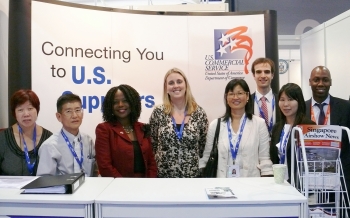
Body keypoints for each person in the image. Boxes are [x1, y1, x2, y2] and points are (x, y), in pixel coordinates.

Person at [199, 79, 273, 178]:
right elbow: (206, 157)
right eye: (231, 94)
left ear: (247, 96)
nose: (235, 97)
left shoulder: (259, 124)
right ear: (226, 98)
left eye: (240, 93)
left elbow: (264, 158)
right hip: (222, 184)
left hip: (251, 183)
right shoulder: (215, 125)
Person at [150, 67, 208, 178]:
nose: (176, 86)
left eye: (179, 82)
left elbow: (202, 147)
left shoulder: (199, 113)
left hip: (192, 176)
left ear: (186, 85)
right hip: (164, 176)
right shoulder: (158, 112)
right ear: (166, 88)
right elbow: (153, 144)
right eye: (171, 83)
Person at [305, 66, 350, 201]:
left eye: (325, 80)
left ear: (331, 82)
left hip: (339, 174)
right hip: (310, 174)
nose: (320, 84)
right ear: (309, 82)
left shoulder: (346, 107)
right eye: (316, 80)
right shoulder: (302, 108)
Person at [95, 85, 157, 178]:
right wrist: (124, 185)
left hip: (146, 186)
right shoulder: (104, 129)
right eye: (115, 102)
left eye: (125, 100)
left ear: (133, 102)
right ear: (110, 106)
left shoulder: (143, 128)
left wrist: (150, 182)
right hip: (117, 187)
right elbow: (105, 166)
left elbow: (152, 162)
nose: (120, 104)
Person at [37, 93, 96, 176]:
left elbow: (94, 172)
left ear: (82, 113)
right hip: (63, 188)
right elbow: (44, 180)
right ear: (59, 117)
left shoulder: (88, 140)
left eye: (78, 110)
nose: (75, 115)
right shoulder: (50, 146)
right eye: (68, 111)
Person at [0, 89, 52, 176]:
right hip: (9, 189)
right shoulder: (3, 139)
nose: (26, 114)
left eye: (30, 108)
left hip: (40, 189)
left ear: (37, 110)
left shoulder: (49, 138)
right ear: (14, 113)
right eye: (20, 110)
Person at [270, 83, 315, 183]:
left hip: (301, 185)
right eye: (282, 100)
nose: (286, 104)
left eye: (290, 99)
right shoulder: (277, 127)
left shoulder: (309, 127)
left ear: (299, 102)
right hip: (280, 182)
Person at [250, 58, 281, 135]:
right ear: (254, 75)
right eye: (258, 72)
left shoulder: (281, 101)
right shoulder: (246, 102)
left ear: (272, 75)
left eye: (267, 72)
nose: (263, 76)